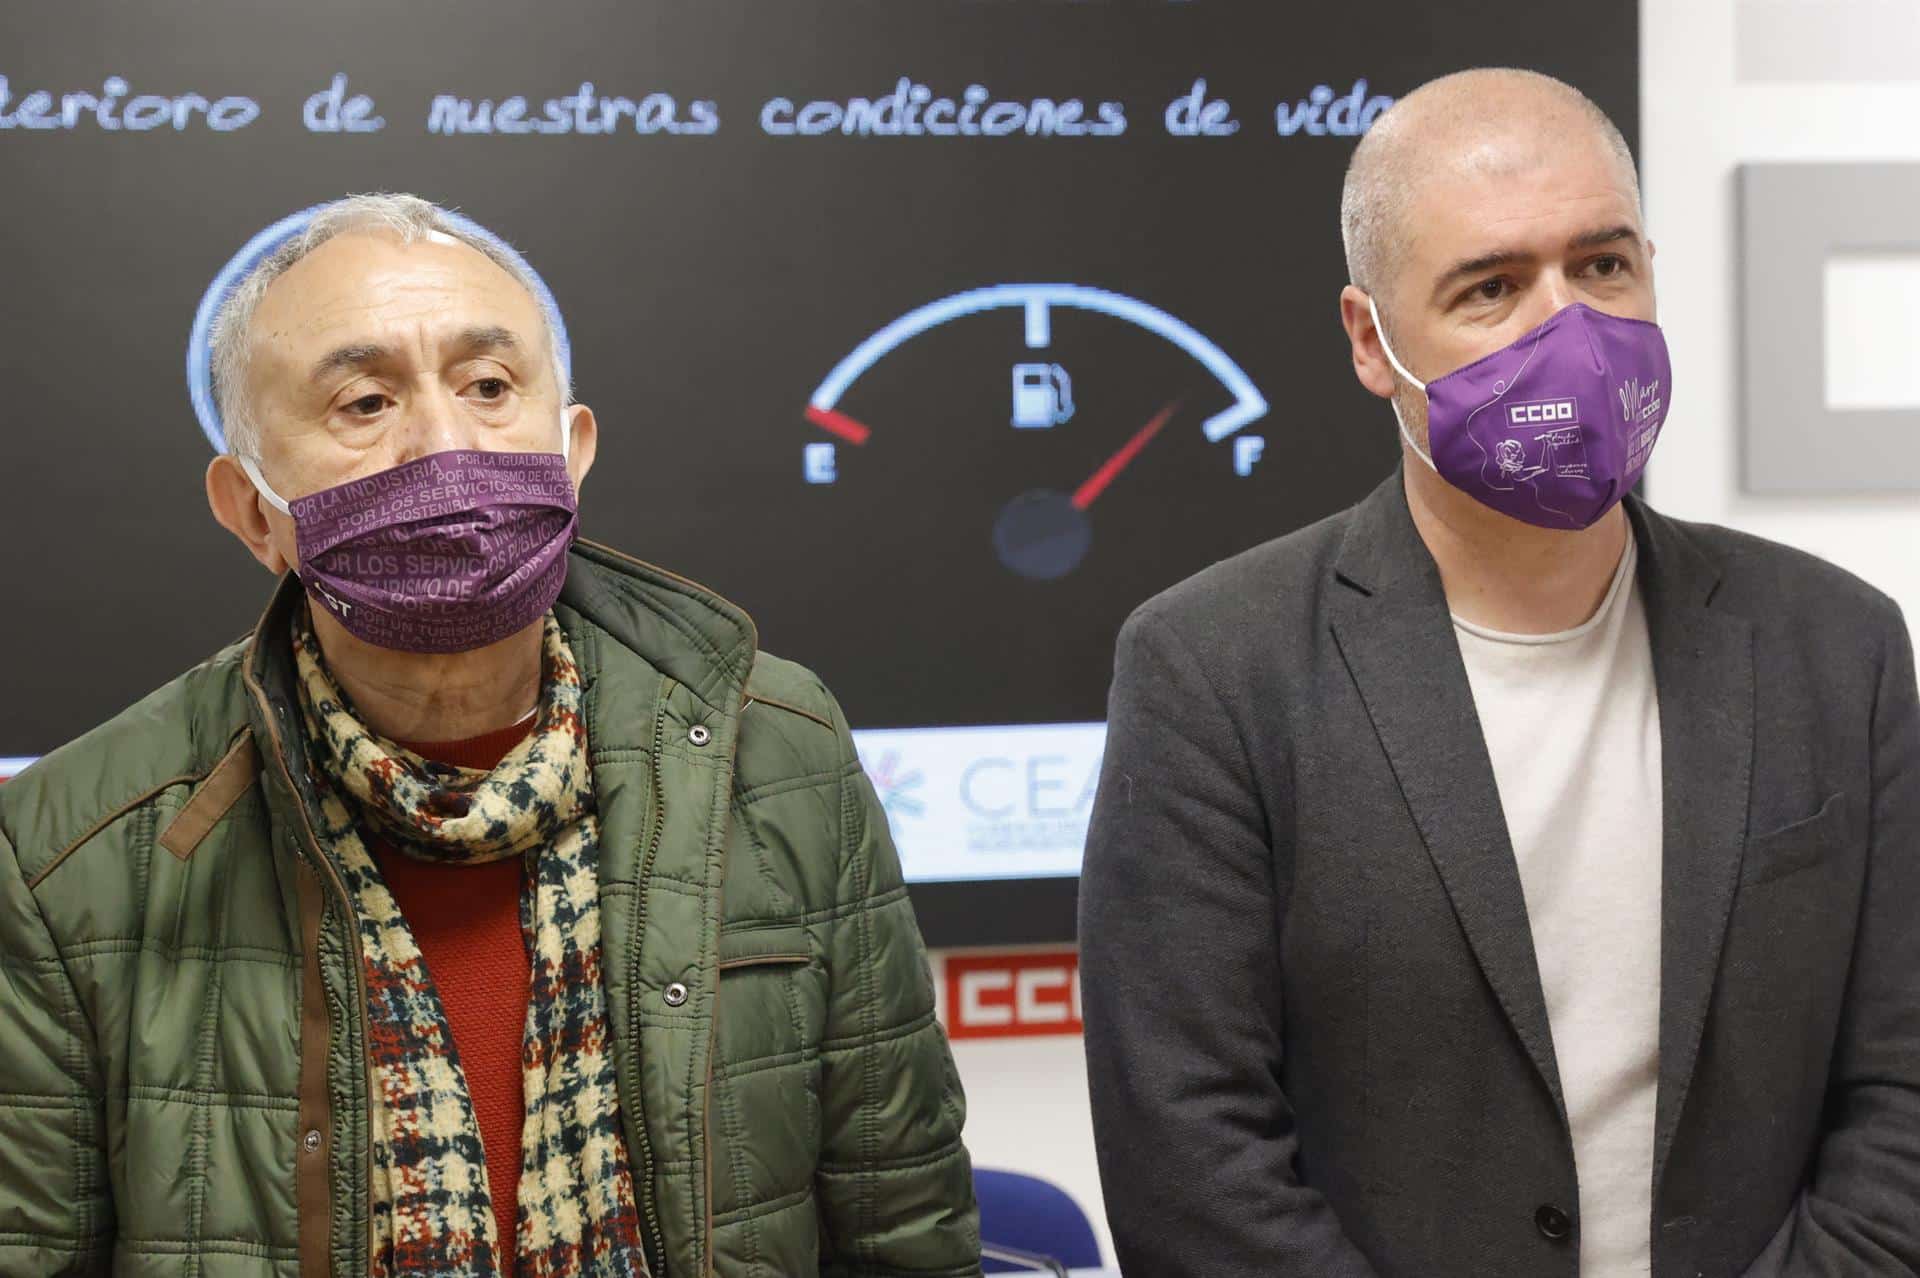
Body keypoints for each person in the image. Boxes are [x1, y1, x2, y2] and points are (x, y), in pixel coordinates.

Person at [0, 193, 980, 1278]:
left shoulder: (781, 752)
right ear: (251, 512)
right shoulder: (63, 857)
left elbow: (903, 1227)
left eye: (490, 387)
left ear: (574, 450)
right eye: (365, 401)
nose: (445, 446)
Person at [1080, 68, 1919, 1277]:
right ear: (1373, 341)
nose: (1566, 327)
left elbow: (1900, 1089)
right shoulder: (1212, 669)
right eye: (1491, 285)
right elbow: (1191, 1160)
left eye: (1603, 265)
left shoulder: (1837, 644)